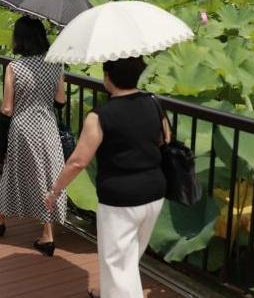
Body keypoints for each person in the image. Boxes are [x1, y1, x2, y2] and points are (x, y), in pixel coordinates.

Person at [45, 57, 168, 297]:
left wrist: (55, 191)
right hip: (154, 194)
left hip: (120, 200)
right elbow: (165, 139)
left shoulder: (100, 116)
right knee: (128, 261)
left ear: (108, 77)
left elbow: (78, 161)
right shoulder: (154, 102)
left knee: (116, 266)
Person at [0, 17, 67, 257]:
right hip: (48, 126)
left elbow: (7, 108)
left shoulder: (14, 67)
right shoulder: (55, 64)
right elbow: (60, 100)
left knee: (17, 172)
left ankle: (46, 234)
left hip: (23, 128)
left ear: (20, 39)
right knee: (47, 176)